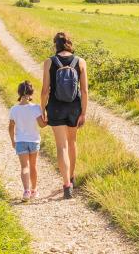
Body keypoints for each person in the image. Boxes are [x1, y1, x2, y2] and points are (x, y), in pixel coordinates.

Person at [41, 32, 88, 199]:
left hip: (55, 107)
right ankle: (72, 178)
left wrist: (42, 110)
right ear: (69, 43)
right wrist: (83, 112)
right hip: (74, 107)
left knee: (61, 146)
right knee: (72, 142)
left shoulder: (49, 62)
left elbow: (45, 90)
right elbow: (84, 90)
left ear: (56, 45)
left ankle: (66, 184)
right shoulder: (80, 62)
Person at [8, 80, 47, 202]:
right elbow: (41, 125)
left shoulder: (14, 109)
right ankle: (34, 190)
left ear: (19, 93)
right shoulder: (36, 108)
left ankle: (26, 191)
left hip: (20, 141)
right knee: (33, 166)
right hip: (34, 141)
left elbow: (11, 127)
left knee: (24, 167)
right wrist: (47, 119)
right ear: (31, 93)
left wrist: (13, 141)